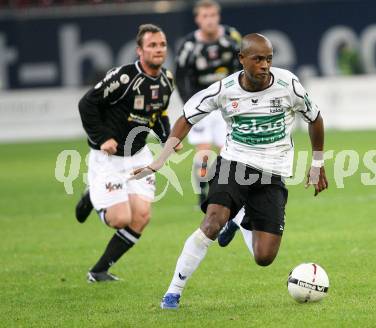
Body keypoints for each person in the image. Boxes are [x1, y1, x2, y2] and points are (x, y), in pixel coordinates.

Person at [132, 33, 328, 309]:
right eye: (258, 59)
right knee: (212, 223)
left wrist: (317, 163)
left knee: (264, 257)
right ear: (242, 59)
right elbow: (186, 118)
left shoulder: (288, 85)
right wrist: (160, 159)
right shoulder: (224, 90)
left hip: (272, 174)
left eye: (269, 59)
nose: (264, 65)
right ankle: (173, 292)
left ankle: (238, 218)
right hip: (233, 165)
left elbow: (315, 118)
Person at [75, 24, 177, 282]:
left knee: (141, 217)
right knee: (121, 218)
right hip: (108, 157)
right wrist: (102, 139)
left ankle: (99, 271)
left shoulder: (167, 79)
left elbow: (158, 114)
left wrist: (169, 138)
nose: (158, 49)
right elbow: (87, 103)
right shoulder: (123, 77)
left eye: (162, 44)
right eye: (152, 45)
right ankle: (92, 196)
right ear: (139, 50)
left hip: (138, 155)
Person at [175, 0, 242, 207]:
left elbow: (242, 66)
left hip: (227, 104)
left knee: (228, 152)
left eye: (213, 15)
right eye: (205, 16)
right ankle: (202, 193)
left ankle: (223, 193)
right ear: (197, 19)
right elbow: (181, 76)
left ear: (218, 16)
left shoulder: (232, 37)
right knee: (204, 153)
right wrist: (191, 105)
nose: (210, 20)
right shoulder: (189, 45)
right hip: (202, 104)